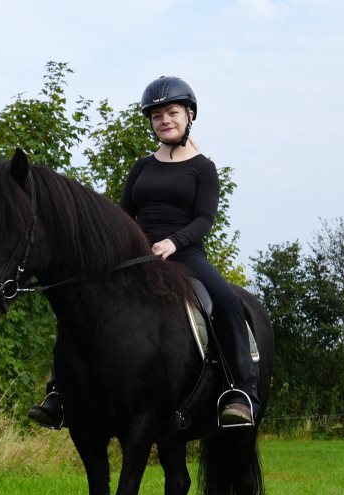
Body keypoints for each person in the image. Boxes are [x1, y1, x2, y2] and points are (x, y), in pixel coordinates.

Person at [28, 76, 258, 428]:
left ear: (189, 115)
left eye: (172, 112)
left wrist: (174, 242)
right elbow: (123, 215)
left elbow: (204, 218)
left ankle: (240, 391)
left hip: (185, 255)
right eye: (157, 116)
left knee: (226, 301)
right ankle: (60, 392)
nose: (164, 120)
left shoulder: (203, 168)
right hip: (137, 254)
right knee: (81, 301)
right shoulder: (142, 167)